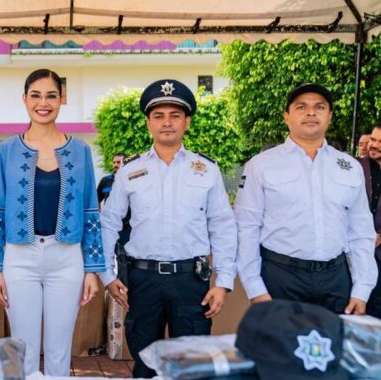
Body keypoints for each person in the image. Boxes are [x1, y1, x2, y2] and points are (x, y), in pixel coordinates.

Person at [100, 79, 237, 378]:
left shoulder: (207, 170)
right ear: (148, 123)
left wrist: (224, 281)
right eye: (159, 116)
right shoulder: (130, 171)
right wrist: (107, 275)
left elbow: (223, 226)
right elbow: (109, 223)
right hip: (142, 280)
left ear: (186, 122)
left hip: (191, 282)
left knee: (192, 365)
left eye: (175, 115)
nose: (167, 123)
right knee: (145, 364)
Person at [0, 68, 105, 376]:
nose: (43, 103)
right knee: (22, 347)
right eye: (35, 95)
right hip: (19, 255)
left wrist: (92, 269)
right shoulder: (8, 149)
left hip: (67, 257)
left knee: (60, 348)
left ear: (62, 99)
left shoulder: (80, 151)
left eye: (51, 95)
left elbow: (91, 211)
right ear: (24, 99)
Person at [235, 84, 377, 316]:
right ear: (286, 117)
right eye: (301, 107)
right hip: (281, 278)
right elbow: (246, 228)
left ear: (329, 116)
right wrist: (255, 288)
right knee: (280, 350)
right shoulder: (260, 165)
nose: (311, 112)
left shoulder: (349, 167)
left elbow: (360, 231)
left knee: (332, 349)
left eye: (319, 107)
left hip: (335, 278)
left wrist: (362, 289)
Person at [358, 124, 381, 318]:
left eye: (380, 142)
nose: (374, 145)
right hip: (356, 250)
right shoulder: (355, 166)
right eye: (373, 140)